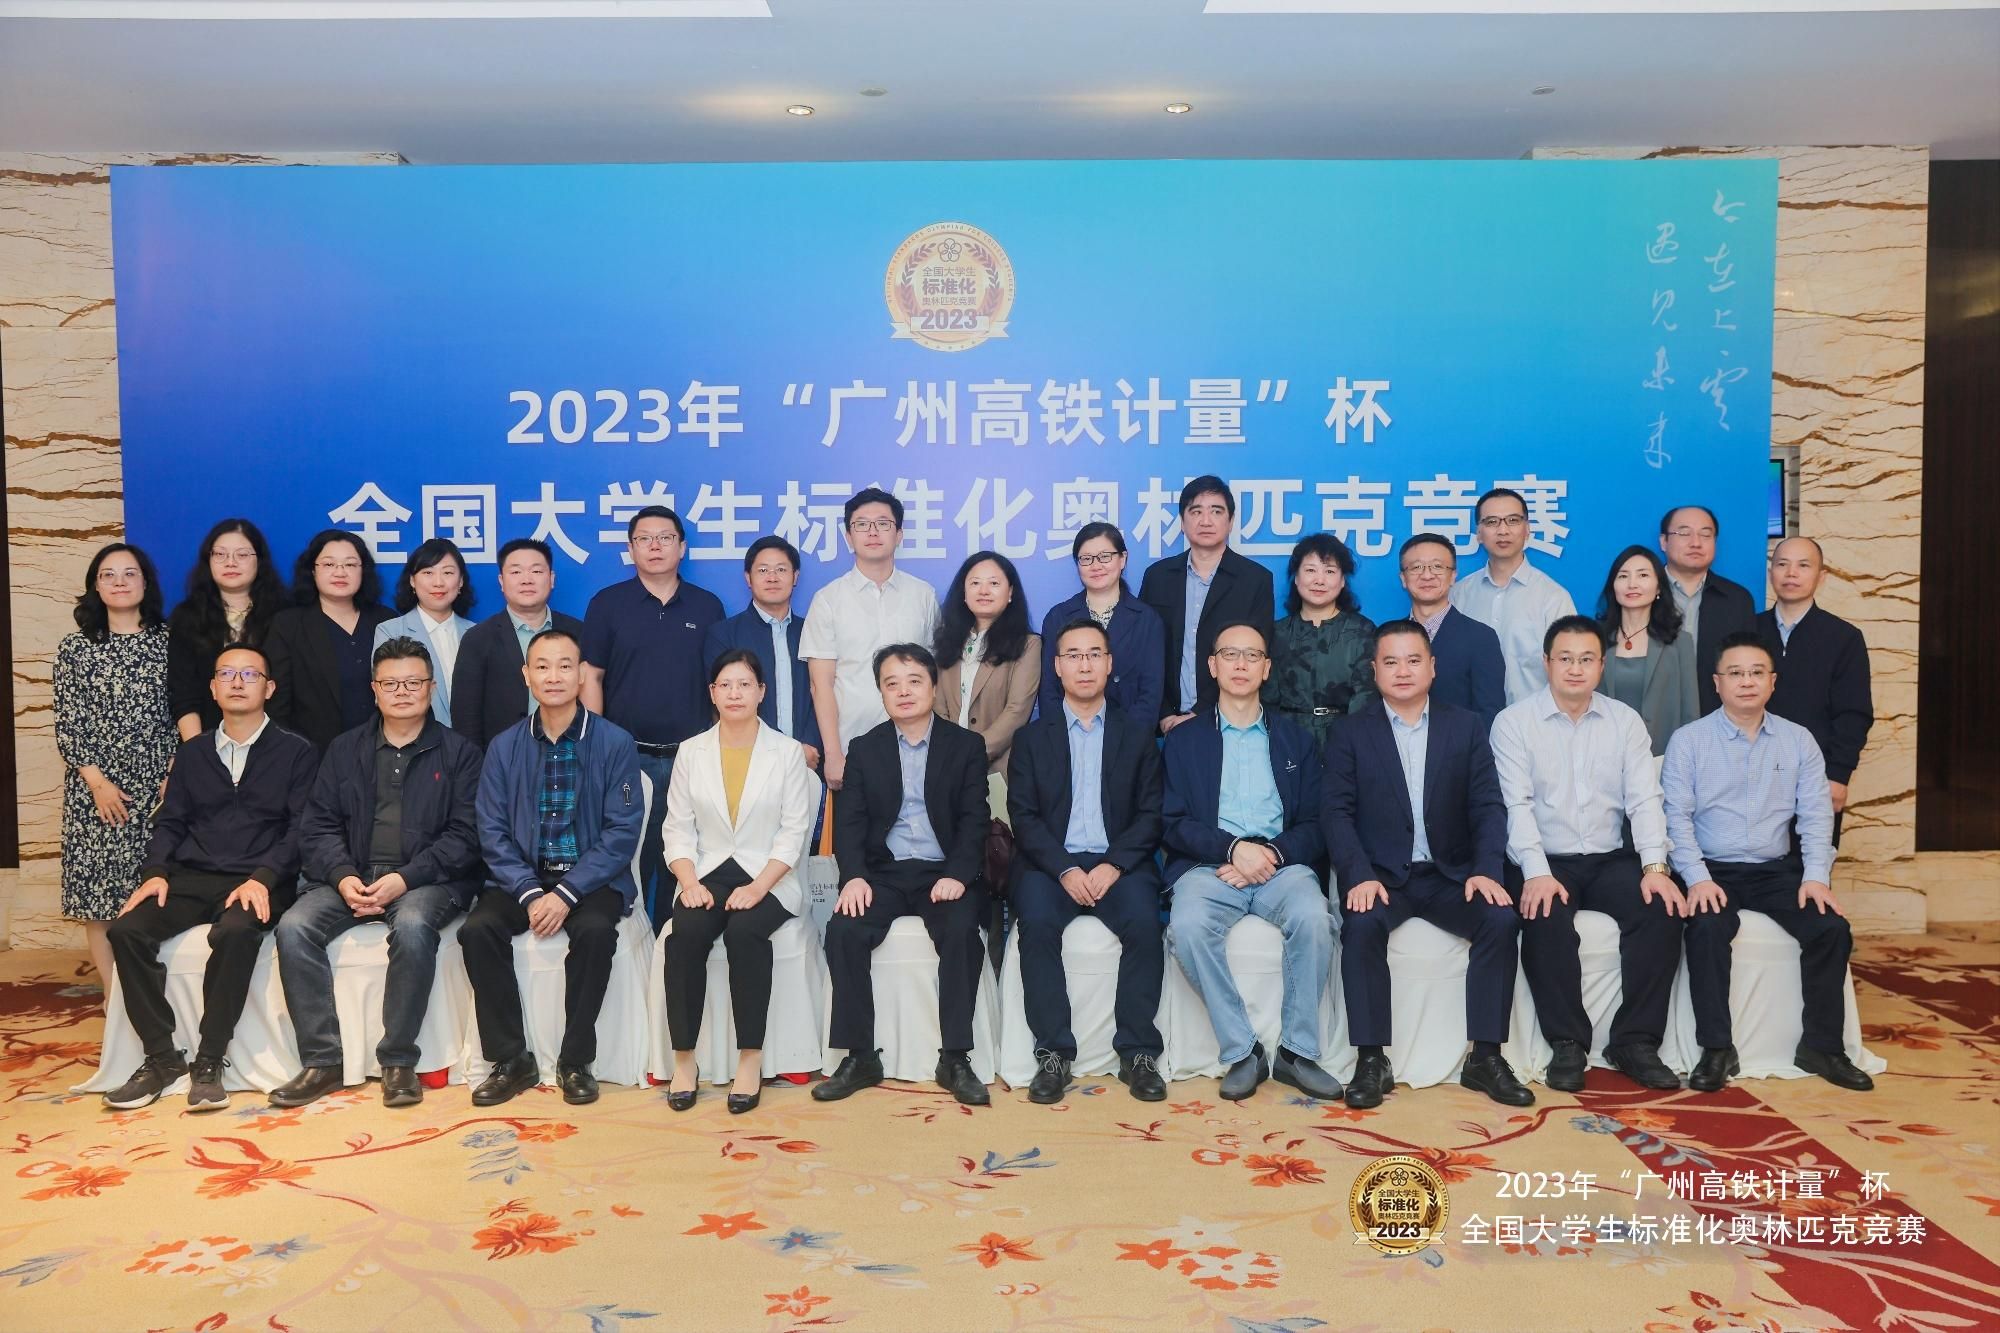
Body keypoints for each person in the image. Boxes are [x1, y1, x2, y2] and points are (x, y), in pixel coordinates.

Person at [268, 637, 485, 1109]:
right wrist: (343, 875)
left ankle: (399, 1060)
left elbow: (466, 836)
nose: (402, 692)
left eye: (413, 682)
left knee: (413, 926)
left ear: (431, 687)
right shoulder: (345, 749)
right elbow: (318, 825)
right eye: (391, 683)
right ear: (374, 689)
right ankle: (322, 1062)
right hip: (353, 873)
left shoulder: (461, 753)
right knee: (294, 926)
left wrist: (405, 879)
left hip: (426, 880)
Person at [1323, 619, 1531, 1109]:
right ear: (1374, 671)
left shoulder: (1466, 726)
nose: (1403, 671)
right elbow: (1335, 813)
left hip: (1450, 874)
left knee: (1500, 919)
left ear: (1432, 667)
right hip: (1382, 877)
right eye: (1391, 662)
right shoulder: (1350, 732)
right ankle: (1371, 1059)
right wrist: (1358, 875)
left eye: (1413, 660)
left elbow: (1487, 806)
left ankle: (1486, 1057)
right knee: (1361, 924)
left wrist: (1486, 869)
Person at [101, 645, 319, 1111]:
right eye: (227, 674)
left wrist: (264, 877)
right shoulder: (193, 753)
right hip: (192, 875)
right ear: (213, 688)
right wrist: (155, 872)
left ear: (269, 688)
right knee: (125, 931)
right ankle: (162, 1058)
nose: (238, 682)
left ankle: (209, 1059)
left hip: (258, 878)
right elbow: (171, 822)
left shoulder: (297, 751)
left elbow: (301, 829)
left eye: (250, 674)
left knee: (237, 932)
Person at [1664, 633, 1872, 1093]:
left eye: (1757, 673)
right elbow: (1675, 819)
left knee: (1831, 929)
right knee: (1707, 928)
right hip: (1712, 869)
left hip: (1775, 870)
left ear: (1773, 682)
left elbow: (1816, 816)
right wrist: (1696, 879)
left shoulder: (1799, 741)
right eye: (1735, 673)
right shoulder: (1689, 741)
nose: (1746, 682)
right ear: (1717, 683)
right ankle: (1717, 1047)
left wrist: (1816, 877)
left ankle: (1821, 1047)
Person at [1490, 616, 1689, 1093]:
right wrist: (1535, 872)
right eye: (1565, 658)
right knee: (1544, 914)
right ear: (1546, 663)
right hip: (1544, 858)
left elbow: (1645, 801)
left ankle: (1635, 1042)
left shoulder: (1624, 722)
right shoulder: (1513, 723)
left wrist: (1655, 867)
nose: (1575, 669)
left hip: (1608, 858)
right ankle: (1567, 1043)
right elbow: (1515, 806)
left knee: (1661, 907)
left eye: (1586, 659)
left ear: (1602, 665)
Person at [463, 628, 645, 1108]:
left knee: (596, 932)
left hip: (590, 880)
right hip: (521, 878)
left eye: (565, 665)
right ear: (526, 675)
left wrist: (566, 893)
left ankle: (575, 1060)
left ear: (582, 674)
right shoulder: (504, 746)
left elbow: (621, 833)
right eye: (542, 666)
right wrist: (528, 891)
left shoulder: (614, 742)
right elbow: (492, 831)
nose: (554, 676)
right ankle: (511, 1059)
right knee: (477, 930)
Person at [1162, 622, 1339, 1103]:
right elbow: (1172, 822)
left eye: (1252, 656)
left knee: (1314, 918)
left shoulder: (1296, 740)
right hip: (1209, 867)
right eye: (1230, 654)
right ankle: (1243, 1051)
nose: (1240, 664)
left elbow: (1318, 822)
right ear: (1212, 665)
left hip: (1281, 864)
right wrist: (1231, 850)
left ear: (1266, 669)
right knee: (1188, 926)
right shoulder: (1184, 740)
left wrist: (1271, 854)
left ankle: (1296, 1053)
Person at [814, 645, 991, 1107]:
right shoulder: (864, 748)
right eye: (891, 684)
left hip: (942, 872)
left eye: (914, 681)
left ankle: (955, 1058)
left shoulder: (965, 746)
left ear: (933, 686)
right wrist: (854, 876)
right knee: (844, 930)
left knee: (961, 931)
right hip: (884, 874)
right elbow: (850, 824)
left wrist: (958, 875)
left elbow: (974, 820)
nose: (904, 691)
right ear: (881, 693)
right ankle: (859, 1056)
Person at [1006, 619, 1168, 1104]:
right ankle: (1053, 1053)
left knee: (1145, 922)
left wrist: (1114, 865)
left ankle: (1137, 1053)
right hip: (1052, 864)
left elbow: (1151, 814)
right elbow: (1024, 817)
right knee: (1036, 923)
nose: (1084, 665)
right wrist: (1065, 869)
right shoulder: (1032, 738)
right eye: (1073, 655)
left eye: (1094, 654)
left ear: (1109, 664)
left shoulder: (1136, 735)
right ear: (1056, 667)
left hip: (1119, 864)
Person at [659, 651, 820, 1114]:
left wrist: (759, 887)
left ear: (761, 693)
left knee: (745, 932)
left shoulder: (786, 752)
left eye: (745, 684)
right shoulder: (691, 751)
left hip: (768, 874)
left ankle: (750, 1058)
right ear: (712, 693)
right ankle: (684, 1059)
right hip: (706, 871)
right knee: (685, 934)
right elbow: (677, 828)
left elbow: (794, 832)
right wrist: (688, 881)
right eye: (725, 685)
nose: (735, 693)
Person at [580, 505, 724, 916]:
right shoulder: (608, 604)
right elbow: (591, 676)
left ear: (682, 547)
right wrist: (596, 746)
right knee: (630, 853)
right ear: (631, 549)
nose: (655, 546)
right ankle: (636, 938)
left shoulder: (707, 606)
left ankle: (670, 937)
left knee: (685, 855)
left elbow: (721, 683)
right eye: (644, 538)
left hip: (690, 758)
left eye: (665, 537)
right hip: (628, 757)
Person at [55, 543, 177, 998]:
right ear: (95, 585)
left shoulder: (170, 642)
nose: (120, 582)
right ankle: (114, 996)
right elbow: (68, 721)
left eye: (130, 573)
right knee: (99, 899)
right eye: (109, 574)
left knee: (156, 888)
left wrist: (176, 771)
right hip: (96, 790)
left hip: (160, 784)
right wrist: (98, 784)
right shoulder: (75, 648)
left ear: (146, 582)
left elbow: (185, 710)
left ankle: (155, 993)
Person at [801, 487, 942, 795]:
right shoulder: (828, 600)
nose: (873, 531)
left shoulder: (923, 595)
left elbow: (935, 676)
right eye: (862, 524)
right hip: (852, 748)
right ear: (849, 537)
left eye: (883, 523)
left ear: (899, 534)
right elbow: (820, 685)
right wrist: (833, 754)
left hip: (918, 747)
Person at [1139, 476, 1276, 733]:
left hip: (1227, 720)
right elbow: (1145, 652)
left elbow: (1255, 654)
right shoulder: (1157, 577)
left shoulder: (1255, 580)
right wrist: (1164, 713)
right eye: (1196, 511)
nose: (1205, 521)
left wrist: (1200, 713)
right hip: (1164, 723)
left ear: (1231, 521)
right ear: (1182, 522)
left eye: (1216, 511)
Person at [1759, 537, 1874, 838]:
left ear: (1821, 577)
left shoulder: (1844, 638)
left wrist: (1838, 775)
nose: (1791, 573)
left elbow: (1854, 713)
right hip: (1750, 775)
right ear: (1770, 573)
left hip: (1816, 778)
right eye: (1782, 564)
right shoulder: (1747, 631)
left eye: (1803, 565)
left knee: (1813, 863)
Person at [265, 530, 394, 751]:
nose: (340, 572)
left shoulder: (387, 621)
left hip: (384, 753)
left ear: (363, 571)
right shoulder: (288, 625)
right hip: (314, 755)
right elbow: (277, 704)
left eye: (350, 564)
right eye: (328, 564)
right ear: (312, 571)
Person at [451, 538, 585, 749]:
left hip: (569, 753)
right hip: (504, 758)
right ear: (501, 581)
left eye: (536, 571)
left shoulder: (579, 632)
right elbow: (466, 716)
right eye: (516, 572)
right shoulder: (478, 638)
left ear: (551, 579)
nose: (526, 580)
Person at [702, 535, 823, 767]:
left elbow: (823, 691)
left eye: (781, 569)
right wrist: (782, 748)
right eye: (763, 570)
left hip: (808, 757)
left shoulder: (813, 631)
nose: (772, 577)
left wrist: (809, 744)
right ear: (748, 578)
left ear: (795, 577)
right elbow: (726, 701)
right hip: (750, 757)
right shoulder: (724, 634)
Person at [1450, 487, 1578, 707]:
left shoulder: (1554, 598)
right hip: (1470, 723)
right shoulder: (1458, 595)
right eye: (1492, 522)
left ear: (1527, 529)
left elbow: (1570, 670)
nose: (1503, 530)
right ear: (1478, 533)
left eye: (1513, 520)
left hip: (1533, 722)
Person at [166, 518, 286, 740]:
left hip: (275, 744)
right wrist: (199, 752)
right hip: (208, 740)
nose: (231, 562)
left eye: (242, 555)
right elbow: (184, 693)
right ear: (208, 560)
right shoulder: (187, 617)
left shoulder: (285, 615)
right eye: (220, 554)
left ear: (259, 560)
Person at [1036, 522, 1165, 726]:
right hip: (1067, 734)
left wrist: (1127, 738)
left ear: (1122, 559)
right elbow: (1049, 690)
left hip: (1129, 735)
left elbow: (1150, 693)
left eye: (1105, 557)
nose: (1096, 566)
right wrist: (1063, 736)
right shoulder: (1058, 617)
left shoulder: (1147, 619)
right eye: (1086, 559)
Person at [934, 550, 1041, 778]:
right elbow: (938, 707)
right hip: (947, 767)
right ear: (964, 593)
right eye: (975, 583)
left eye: (994, 583)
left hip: (1000, 770)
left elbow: (1017, 711)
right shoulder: (947, 642)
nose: (983, 590)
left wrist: (971, 755)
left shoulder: (1028, 645)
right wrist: (950, 754)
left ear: (1010, 593)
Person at [1265, 533, 1376, 749]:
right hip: (1287, 741)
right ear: (1296, 578)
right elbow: (1268, 700)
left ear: (1342, 581)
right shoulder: (1277, 633)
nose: (1319, 580)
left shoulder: (1362, 631)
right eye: (1310, 570)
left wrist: (1350, 745)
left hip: (1346, 742)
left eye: (1330, 571)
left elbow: (1365, 698)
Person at [1594, 545, 1698, 756]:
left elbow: (1690, 712)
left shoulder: (1680, 642)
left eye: (1643, 575)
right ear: (1613, 586)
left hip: (1662, 758)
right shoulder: (1595, 639)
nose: (1632, 584)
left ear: (1659, 587)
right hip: (1604, 756)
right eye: (1623, 576)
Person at [1658, 505, 1758, 716]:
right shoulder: (1641, 594)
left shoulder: (1737, 600)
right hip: (1652, 716)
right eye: (1684, 533)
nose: (1696, 542)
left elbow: (1747, 665)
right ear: (1664, 542)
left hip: (1718, 718)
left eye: (1705, 534)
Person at [1397, 533, 1504, 724]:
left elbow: (1489, 714)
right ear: (1403, 578)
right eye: (1416, 567)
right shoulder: (1389, 638)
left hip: (1460, 742)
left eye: (1437, 567)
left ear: (1453, 576)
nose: (1427, 575)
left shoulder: (1481, 638)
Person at [373, 537, 477, 727]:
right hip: (416, 738)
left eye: (448, 572)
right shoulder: (390, 631)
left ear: (461, 581)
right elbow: (387, 695)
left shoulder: (477, 633)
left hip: (471, 740)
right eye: (428, 572)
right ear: (412, 580)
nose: (438, 582)